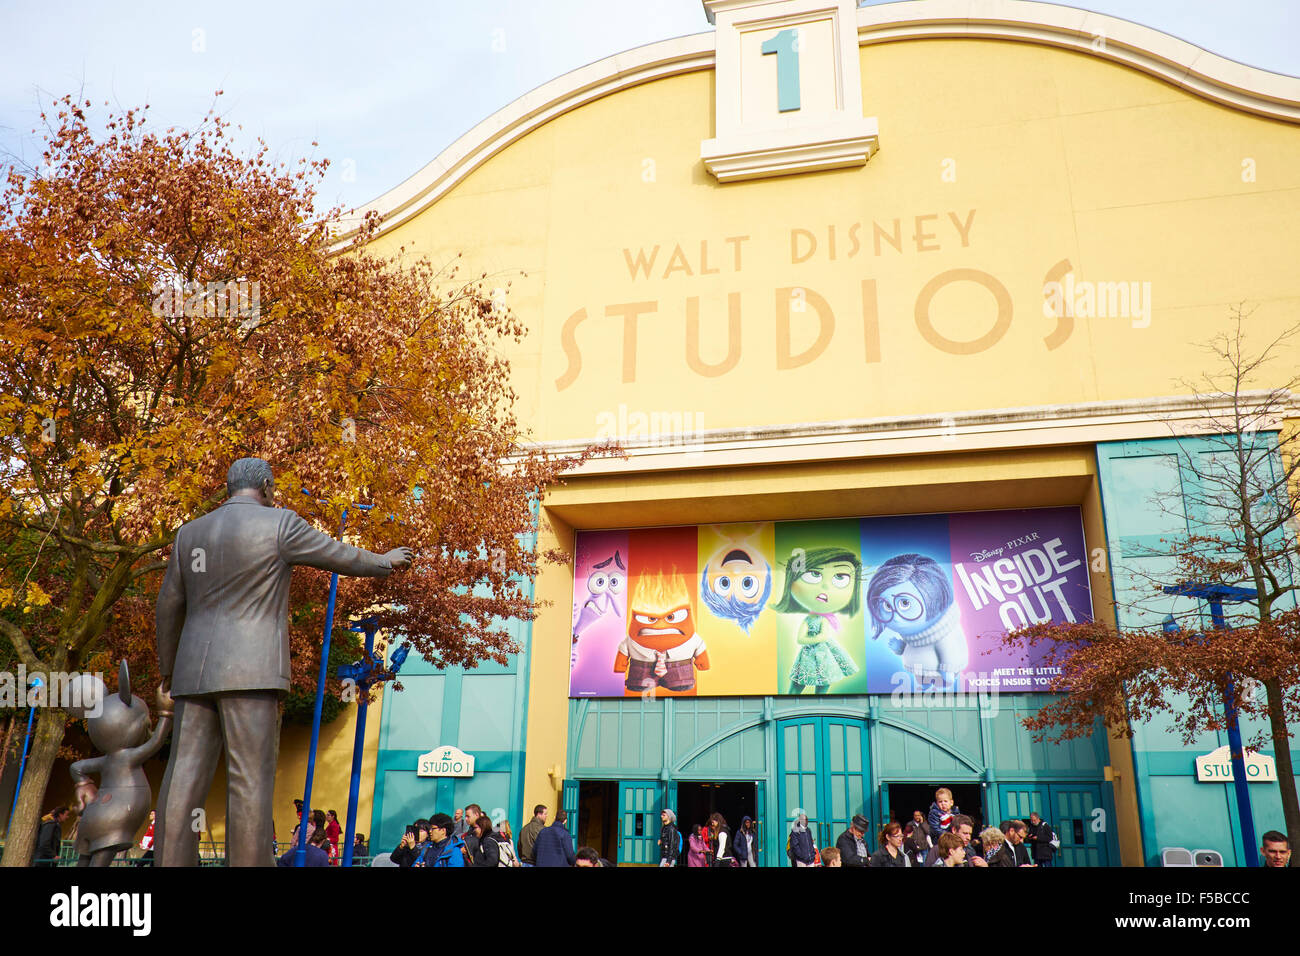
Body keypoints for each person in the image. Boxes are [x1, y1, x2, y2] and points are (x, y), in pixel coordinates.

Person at [154, 457, 412, 866]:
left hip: (193, 671)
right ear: (268, 487)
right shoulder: (280, 525)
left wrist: (168, 669)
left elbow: (168, 604)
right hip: (251, 670)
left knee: (183, 777)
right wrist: (385, 560)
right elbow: (340, 555)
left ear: (228, 486)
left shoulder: (190, 533)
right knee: (249, 781)